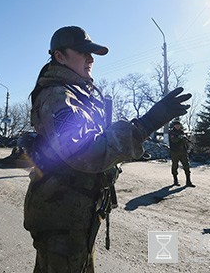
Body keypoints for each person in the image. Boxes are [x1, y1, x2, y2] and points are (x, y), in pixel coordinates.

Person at [23, 26, 192, 273]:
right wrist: (145, 124)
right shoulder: (57, 96)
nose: (90, 59)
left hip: (76, 212)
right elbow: (85, 152)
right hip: (61, 215)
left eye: (91, 53)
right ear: (59, 56)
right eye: (82, 52)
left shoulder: (79, 93)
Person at [169, 120, 195, 187]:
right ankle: (175, 180)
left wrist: (186, 141)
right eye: (176, 125)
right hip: (175, 152)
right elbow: (173, 140)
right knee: (175, 166)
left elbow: (185, 142)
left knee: (187, 166)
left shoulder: (182, 132)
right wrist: (179, 137)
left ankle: (188, 182)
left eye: (179, 125)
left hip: (183, 152)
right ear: (174, 126)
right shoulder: (172, 132)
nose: (178, 126)